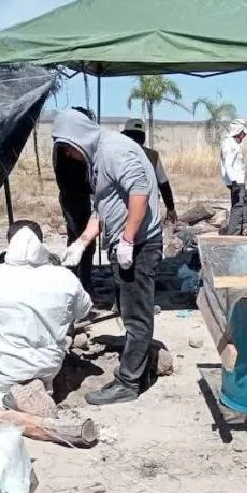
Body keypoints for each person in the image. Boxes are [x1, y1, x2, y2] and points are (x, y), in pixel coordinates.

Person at [54, 108, 163, 405]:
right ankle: (140, 369)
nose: (66, 155)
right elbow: (104, 205)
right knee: (129, 310)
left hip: (139, 245)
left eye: (66, 147)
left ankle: (128, 383)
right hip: (126, 244)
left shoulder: (114, 150)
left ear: (78, 136)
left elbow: (139, 191)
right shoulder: (98, 157)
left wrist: (128, 239)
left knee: (136, 314)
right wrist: (83, 241)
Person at [0, 220, 92, 408]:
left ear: (9, 243)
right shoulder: (66, 277)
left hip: (2, 368)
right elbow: (83, 311)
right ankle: (42, 390)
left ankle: (8, 401)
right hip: (49, 365)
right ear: (41, 242)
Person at [53, 106, 99, 297]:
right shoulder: (67, 147)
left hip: (72, 197)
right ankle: (83, 286)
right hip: (75, 198)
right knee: (85, 243)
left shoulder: (62, 144)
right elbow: (77, 179)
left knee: (76, 240)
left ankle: (75, 282)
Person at [121, 118, 178, 224]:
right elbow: (163, 183)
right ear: (143, 137)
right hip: (148, 208)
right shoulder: (152, 155)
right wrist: (171, 207)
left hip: (124, 207)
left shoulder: (118, 155)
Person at [220, 119, 247, 235]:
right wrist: (234, 182)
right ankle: (233, 233)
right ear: (238, 132)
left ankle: (244, 225)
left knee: (246, 199)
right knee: (238, 206)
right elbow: (228, 164)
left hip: (237, 180)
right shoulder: (230, 144)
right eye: (243, 133)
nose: (244, 136)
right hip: (236, 181)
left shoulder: (232, 143)